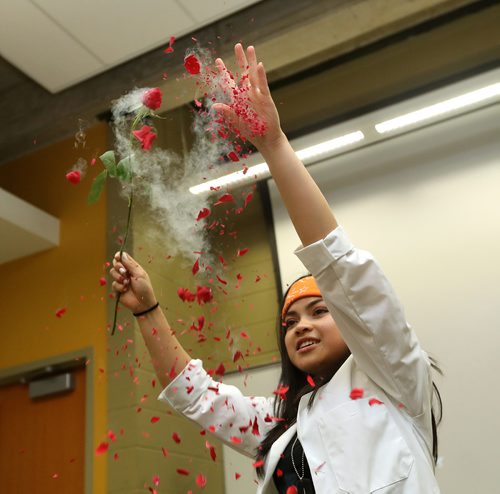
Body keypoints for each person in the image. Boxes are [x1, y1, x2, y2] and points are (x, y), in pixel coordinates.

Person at [110, 43, 442, 493]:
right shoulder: (280, 422)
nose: (300, 327)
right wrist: (147, 309)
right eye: (289, 321)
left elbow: (337, 263)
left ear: (351, 317)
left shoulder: (395, 378)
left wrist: (272, 144)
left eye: (320, 311)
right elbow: (199, 396)